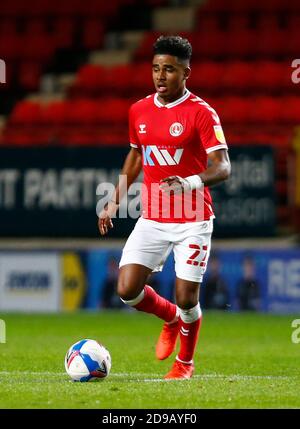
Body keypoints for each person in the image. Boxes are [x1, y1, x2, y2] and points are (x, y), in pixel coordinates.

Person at [98, 35, 231, 379]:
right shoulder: (139, 110)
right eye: (156, 68)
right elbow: (136, 155)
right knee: (127, 290)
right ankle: (169, 317)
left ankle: (185, 363)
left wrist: (188, 182)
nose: (160, 76)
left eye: (169, 70)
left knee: (188, 296)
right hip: (153, 216)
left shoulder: (201, 113)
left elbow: (223, 166)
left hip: (193, 219)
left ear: (186, 72)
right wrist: (113, 200)